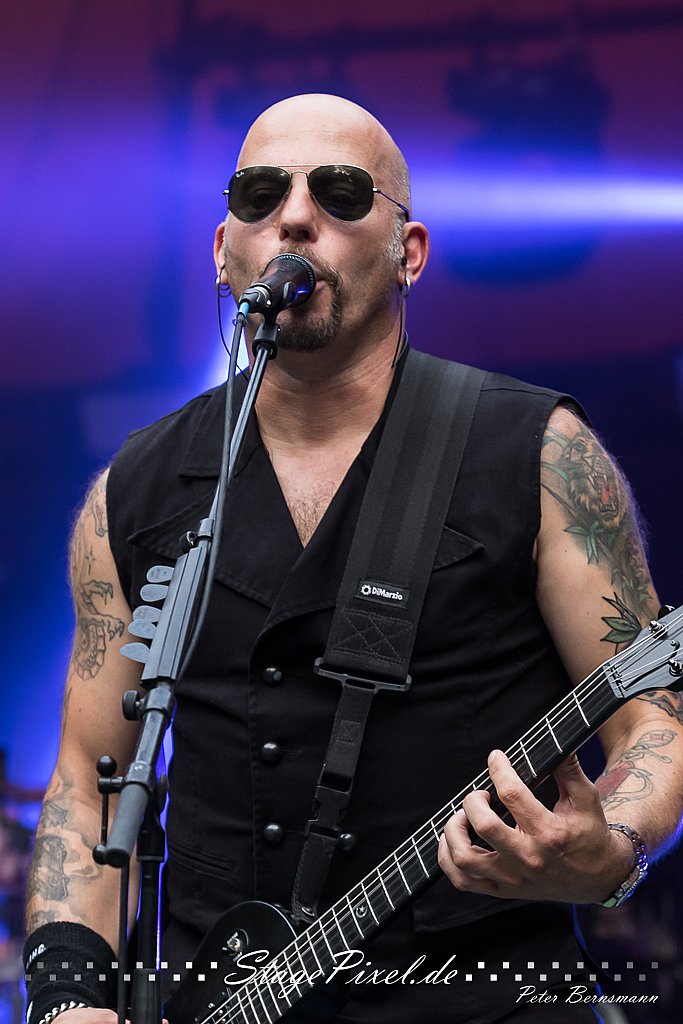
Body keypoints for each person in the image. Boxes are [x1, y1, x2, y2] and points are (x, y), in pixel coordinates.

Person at [24, 94, 683, 1024]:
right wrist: (64, 997)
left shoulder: (536, 453)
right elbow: (87, 782)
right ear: (222, 250)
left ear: (408, 252)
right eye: (259, 195)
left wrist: (609, 850)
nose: (294, 217)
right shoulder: (133, 489)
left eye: (339, 192)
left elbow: (655, 719)